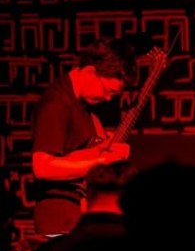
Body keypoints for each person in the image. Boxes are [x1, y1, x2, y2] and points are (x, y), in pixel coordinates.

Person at [31, 38, 136, 236]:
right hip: (59, 218)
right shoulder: (57, 104)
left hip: (76, 213)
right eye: (107, 90)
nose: (107, 98)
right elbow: (42, 167)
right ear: (89, 72)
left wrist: (105, 148)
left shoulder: (83, 106)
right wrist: (99, 163)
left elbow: (75, 152)